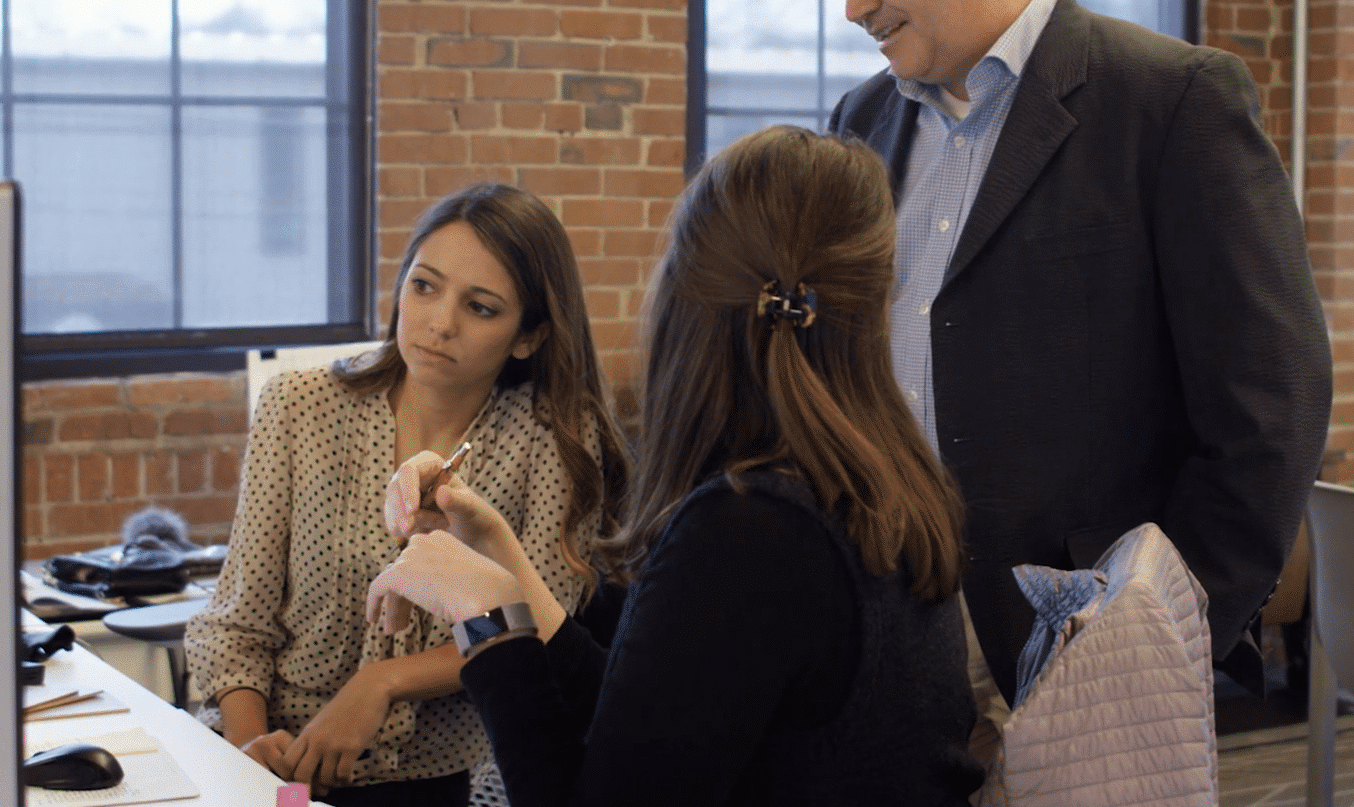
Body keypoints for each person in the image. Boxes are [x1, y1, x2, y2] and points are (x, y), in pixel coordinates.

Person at [816, 0, 1333, 717]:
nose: (853, 4)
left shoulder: (1173, 101)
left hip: (1084, 643)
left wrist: (1164, 629)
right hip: (886, 625)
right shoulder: (861, 121)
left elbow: (1270, 406)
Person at [365, 125, 985, 807]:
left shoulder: (749, 527)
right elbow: (650, 724)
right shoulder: (875, 479)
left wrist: (480, 613)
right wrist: (506, 571)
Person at [185, 183, 628, 806]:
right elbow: (236, 621)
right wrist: (249, 748)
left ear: (527, 336)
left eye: (479, 307)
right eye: (424, 286)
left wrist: (385, 681)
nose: (438, 323)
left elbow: (534, 627)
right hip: (273, 760)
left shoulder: (556, 435)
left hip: (435, 780)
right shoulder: (298, 406)